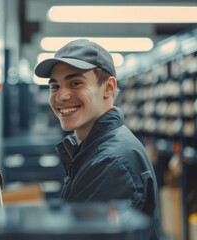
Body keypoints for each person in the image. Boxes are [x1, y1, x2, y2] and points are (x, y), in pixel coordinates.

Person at [34, 39, 160, 239]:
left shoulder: (110, 161)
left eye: (75, 83)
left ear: (108, 88)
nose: (61, 96)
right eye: (55, 86)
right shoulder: (94, 148)